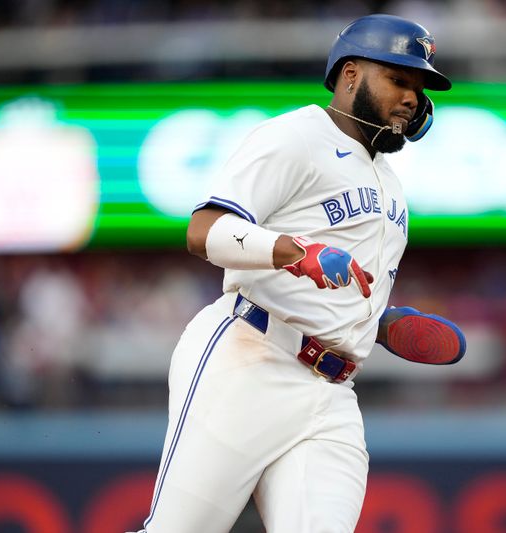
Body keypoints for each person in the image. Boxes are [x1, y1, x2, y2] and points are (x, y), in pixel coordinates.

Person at [135, 13, 466, 533]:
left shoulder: (391, 184)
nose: (412, 98)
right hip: (249, 359)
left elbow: (347, 285)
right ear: (351, 74)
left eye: (419, 88)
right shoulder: (294, 136)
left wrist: (376, 322)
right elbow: (204, 231)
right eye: (399, 79)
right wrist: (294, 251)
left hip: (332, 395)